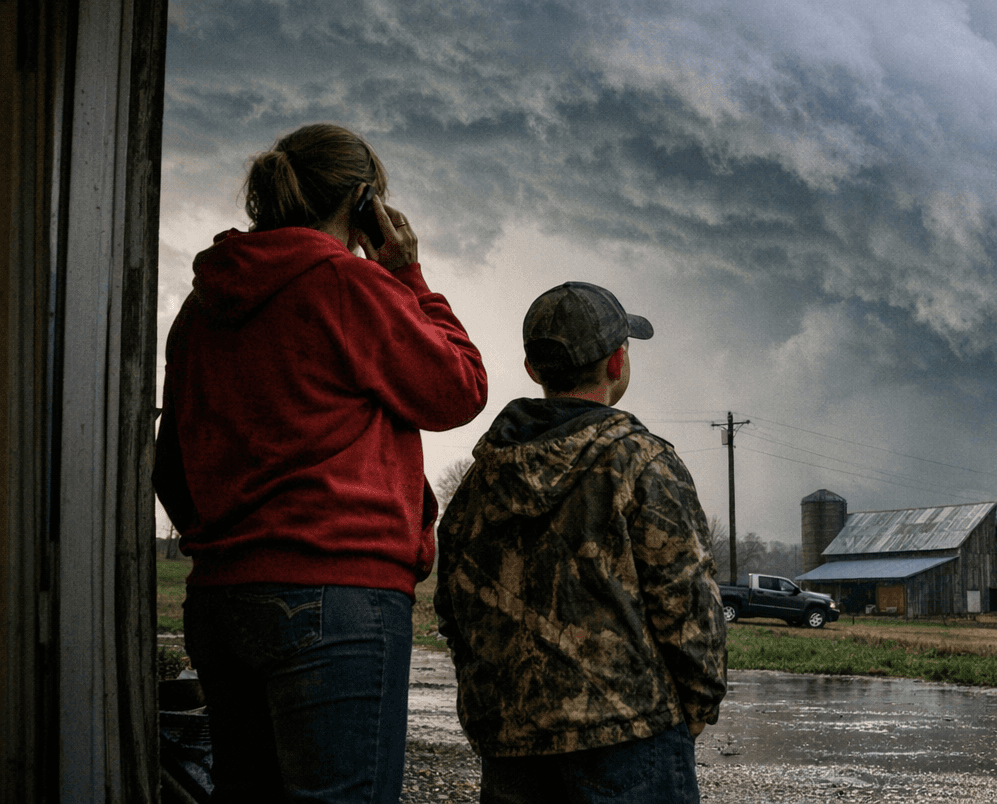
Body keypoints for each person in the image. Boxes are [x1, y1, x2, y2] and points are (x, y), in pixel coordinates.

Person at [154, 123, 489, 804]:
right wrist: (407, 272)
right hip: (337, 597)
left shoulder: (200, 307)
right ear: (365, 202)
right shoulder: (349, 287)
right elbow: (460, 388)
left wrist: (231, 546)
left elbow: (171, 469)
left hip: (221, 600)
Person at [435, 282, 727, 804]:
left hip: (512, 752)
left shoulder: (479, 482)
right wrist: (696, 711)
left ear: (533, 370)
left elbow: (454, 609)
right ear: (617, 362)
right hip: (630, 742)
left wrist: (499, 706)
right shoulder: (642, 463)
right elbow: (689, 605)